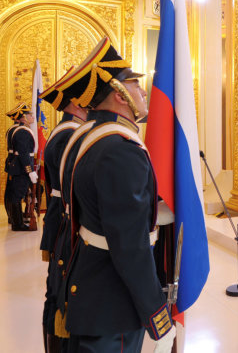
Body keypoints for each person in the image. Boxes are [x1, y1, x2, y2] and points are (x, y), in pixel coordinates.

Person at [55, 37, 175, 352]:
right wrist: (157, 315)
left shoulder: (88, 136)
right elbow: (130, 248)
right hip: (113, 302)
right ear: (119, 95)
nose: (143, 91)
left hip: (91, 286)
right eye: (136, 85)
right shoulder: (119, 151)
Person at [38, 72, 89, 353]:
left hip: (59, 214)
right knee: (59, 296)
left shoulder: (64, 131)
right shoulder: (71, 134)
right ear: (75, 103)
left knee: (56, 292)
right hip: (64, 218)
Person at [4, 102, 36, 231]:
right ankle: (18, 224)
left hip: (15, 166)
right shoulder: (22, 131)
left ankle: (14, 219)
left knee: (14, 193)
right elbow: (24, 153)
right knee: (17, 195)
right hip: (21, 168)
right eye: (30, 115)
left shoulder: (17, 129)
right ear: (23, 117)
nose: (32, 117)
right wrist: (30, 171)